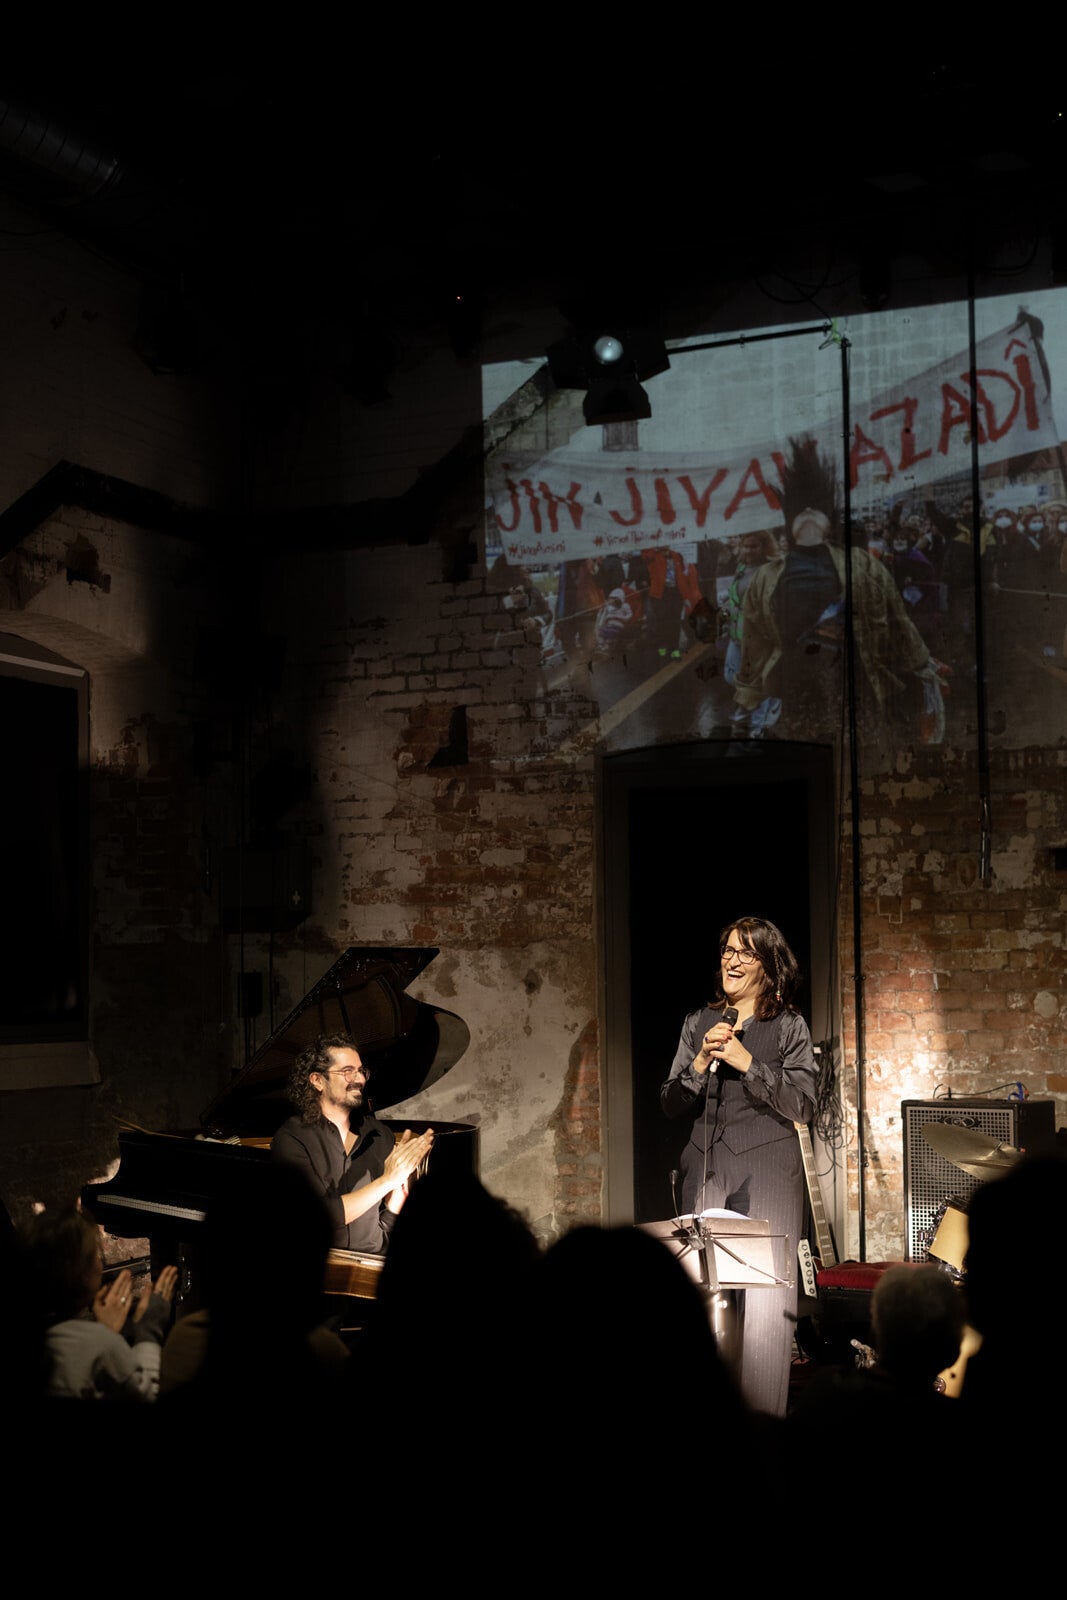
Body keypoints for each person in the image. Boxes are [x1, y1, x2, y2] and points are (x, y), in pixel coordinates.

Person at [661, 916, 817, 1417]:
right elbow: (669, 1103)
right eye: (728, 950)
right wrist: (699, 1063)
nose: (732, 961)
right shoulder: (697, 1023)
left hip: (768, 1164)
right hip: (705, 1163)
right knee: (700, 1296)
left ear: (768, 966)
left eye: (745, 953)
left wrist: (748, 1062)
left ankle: (764, 1425)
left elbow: (803, 1105)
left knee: (767, 1308)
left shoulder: (788, 1026)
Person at [271, 1032, 434, 1255]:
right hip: (321, 1267)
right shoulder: (292, 1138)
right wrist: (387, 1181)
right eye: (348, 1071)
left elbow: (386, 1225)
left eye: (361, 1071)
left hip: (372, 1264)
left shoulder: (380, 1135)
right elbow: (315, 1217)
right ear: (318, 1080)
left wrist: (396, 1204)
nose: (360, 1080)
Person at [25, 1205, 177, 1402]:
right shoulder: (102, 1342)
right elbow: (147, 1396)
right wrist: (149, 1330)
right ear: (83, 1276)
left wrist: (104, 1331)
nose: (100, 1263)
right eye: (94, 1255)